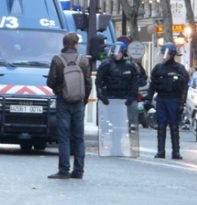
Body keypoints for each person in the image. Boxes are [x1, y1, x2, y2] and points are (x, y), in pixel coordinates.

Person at [47, 32, 92, 179]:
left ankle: (64, 170)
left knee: (64, 136)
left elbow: (50, 82)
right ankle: (79, 170)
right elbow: (88, 83)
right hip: (78, 102)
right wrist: (83, 100)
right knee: (78, 137)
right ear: (75, 44)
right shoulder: (83, 60)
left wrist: (58, 89)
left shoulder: (57, 60)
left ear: (64, 44)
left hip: (63, 101)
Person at [148, 42, 190, 159]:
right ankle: (160, 150)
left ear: (172, 55)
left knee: (174, 126)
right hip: (161, 99)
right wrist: (148, 99)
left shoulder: (179, 69)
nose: (164, 56)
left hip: (174, 99)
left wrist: (182, 102)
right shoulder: (158, 69)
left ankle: (176, 151)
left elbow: (184, 87)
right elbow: (153, 85)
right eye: (163, 54)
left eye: (166, 54)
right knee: (161, 125)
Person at [96, 40, 143, 107]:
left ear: (123, 52)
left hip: (125, 97)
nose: (116, 54)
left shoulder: (129, 66)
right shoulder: (106, 64)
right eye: (115, 52)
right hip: (110, 97)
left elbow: (134, 82)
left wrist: (132, 96)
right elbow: (98, 81)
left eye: (119, 52)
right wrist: (101, 95)